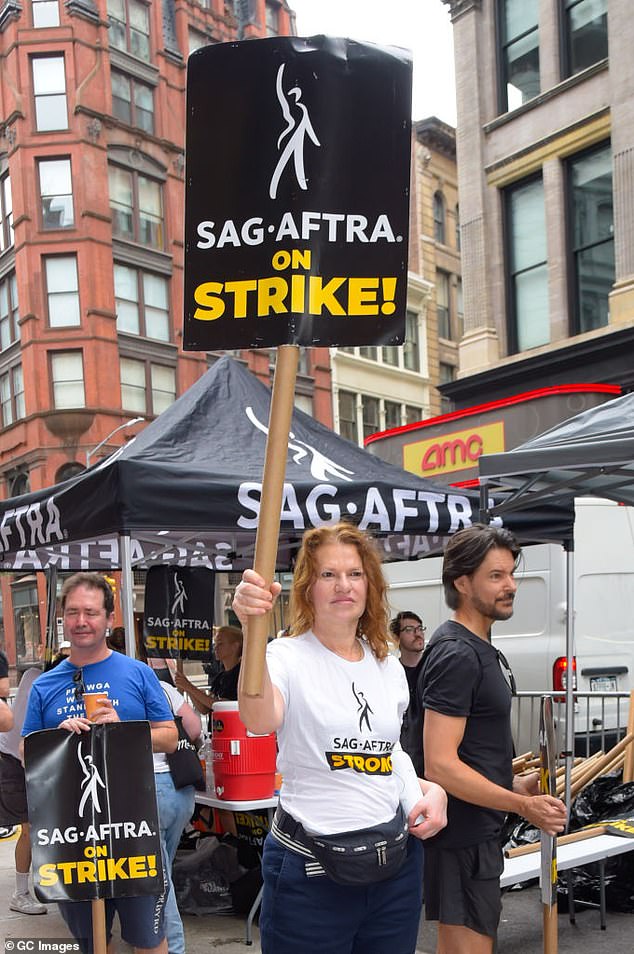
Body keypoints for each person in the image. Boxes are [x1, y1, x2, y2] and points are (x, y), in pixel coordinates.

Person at [232, 522, 448, 954]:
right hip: (311, 870)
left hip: (395, 866)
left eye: (354, 573)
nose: (342, 585)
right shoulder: (284, 655)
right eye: (328, 574)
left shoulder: (386, 662)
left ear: (370, 584)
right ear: (308, 587)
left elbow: (391, 753)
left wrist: (429, 792)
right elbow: (258, 718)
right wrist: (252, 630)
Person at [420, 525, 568, 954]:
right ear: (462, 582)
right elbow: (440, 765)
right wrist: (523, 806)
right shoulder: (456, 653)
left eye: (511, 574)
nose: (511, 586)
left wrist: (513, 785)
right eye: (496, 576)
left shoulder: (480, 647)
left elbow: (469, 754)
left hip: (476, 831)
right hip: (461, 837)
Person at [21, 572, 178, 954]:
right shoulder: (45, 683)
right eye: (72, 612)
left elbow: (170, 738)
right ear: (63, 619)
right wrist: (58, 735)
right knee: (90, 941)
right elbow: (27, 752)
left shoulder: (136, 673)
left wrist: (123, 730)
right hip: (71, 834)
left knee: (148, 936)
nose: (80, 621)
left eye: (91, 612)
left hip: (133, 826)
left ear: (109, 618)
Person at [153, 678, 201, 954]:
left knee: (158, 879)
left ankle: (173, 947)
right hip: (180, 789)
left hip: (151, 787)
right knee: (163, 871)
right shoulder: (162, 687)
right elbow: (193, 727)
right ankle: (155, 936)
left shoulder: (117, 689)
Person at [0, 665, 48, 914]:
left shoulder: (32, 675)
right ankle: (20, 894)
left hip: (16, 758)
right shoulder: (41, 681)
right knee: (30, 828)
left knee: (32, 829)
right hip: (16, 761)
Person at [175, 625, 243, 716]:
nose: (215, 648)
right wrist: (187, 687)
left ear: (235, 646)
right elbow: (204, 708)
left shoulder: (241, 675)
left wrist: (189, 686)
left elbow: (221, 705)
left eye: (220, 644)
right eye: (215, 644)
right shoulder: (220, 676)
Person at [389, 611, 426, 774]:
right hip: (401, 756)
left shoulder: (433, 671)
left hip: (427, 756)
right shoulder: (390, 673)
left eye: (420, 628)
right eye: (410, 630)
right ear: (397, 638)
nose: (418, 634)